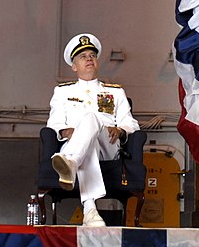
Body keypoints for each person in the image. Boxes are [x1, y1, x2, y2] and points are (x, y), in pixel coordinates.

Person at [47, 33, 140, 227]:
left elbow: (132, 124)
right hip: (75, 144)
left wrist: (120, 130)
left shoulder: (115, 92)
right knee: (88, 144)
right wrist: (66, 132)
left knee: (91, 118)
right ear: (74, 67)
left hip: (109, 145)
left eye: (92, 55)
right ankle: (90, 210)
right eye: (83, 56)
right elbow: (54, 124)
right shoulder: (63, 92)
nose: (89, 58)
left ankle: (71, 163)